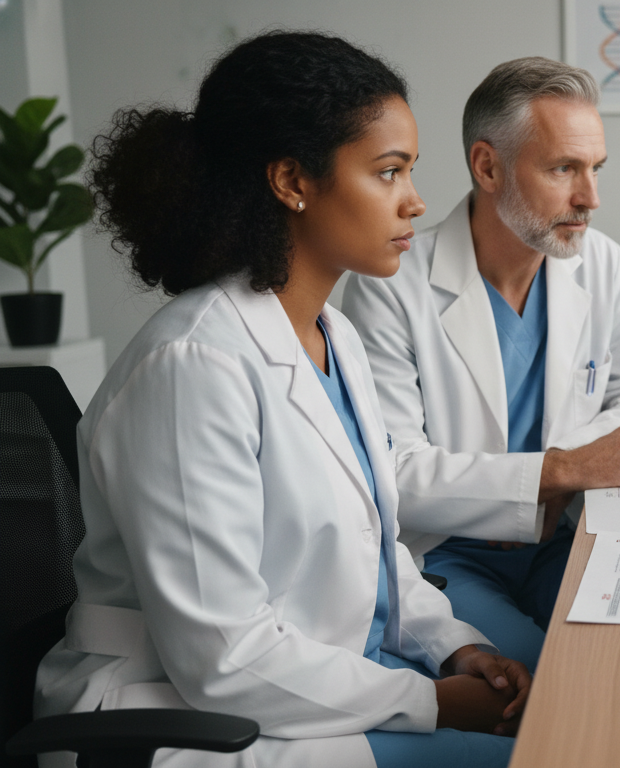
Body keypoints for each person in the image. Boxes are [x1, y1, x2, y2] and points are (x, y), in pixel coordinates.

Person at [34, 31, 529, 768]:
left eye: (410, 172)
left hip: (316, 688)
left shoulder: (333, 335)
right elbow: (223, 657)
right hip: (180, 720)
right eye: (388, 172)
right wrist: (428, 701)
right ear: (292, 180)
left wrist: (455, 646)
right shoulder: (191, 367)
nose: (416, 201)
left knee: (549, 716)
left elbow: (377, 555)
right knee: (543, 751)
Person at [343, 57, 620, 672]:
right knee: (560, 683)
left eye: (596, 169)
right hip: (448, 556)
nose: (591, 198)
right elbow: (394, 474)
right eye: (564, 169)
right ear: (487, 166)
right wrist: (549, 474)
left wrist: (562, 475)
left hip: (566, 538)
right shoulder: (393, 284)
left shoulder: (598, 262)